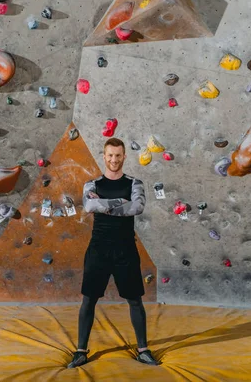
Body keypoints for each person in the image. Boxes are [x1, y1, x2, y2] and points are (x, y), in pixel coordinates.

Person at [68, 137, 158, 368]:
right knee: (88, 300)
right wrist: (121, 202)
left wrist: (106, 204)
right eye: (110, 155)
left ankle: (143, 350)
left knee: (135, 301)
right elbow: (89, 206)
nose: (114, 159)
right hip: (98, 249)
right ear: (104, 156)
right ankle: (80, 351)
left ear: (124, 156)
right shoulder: (92, 184)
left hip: (125, 250)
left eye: (118, 155)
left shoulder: (135, 183)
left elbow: (137, 207)